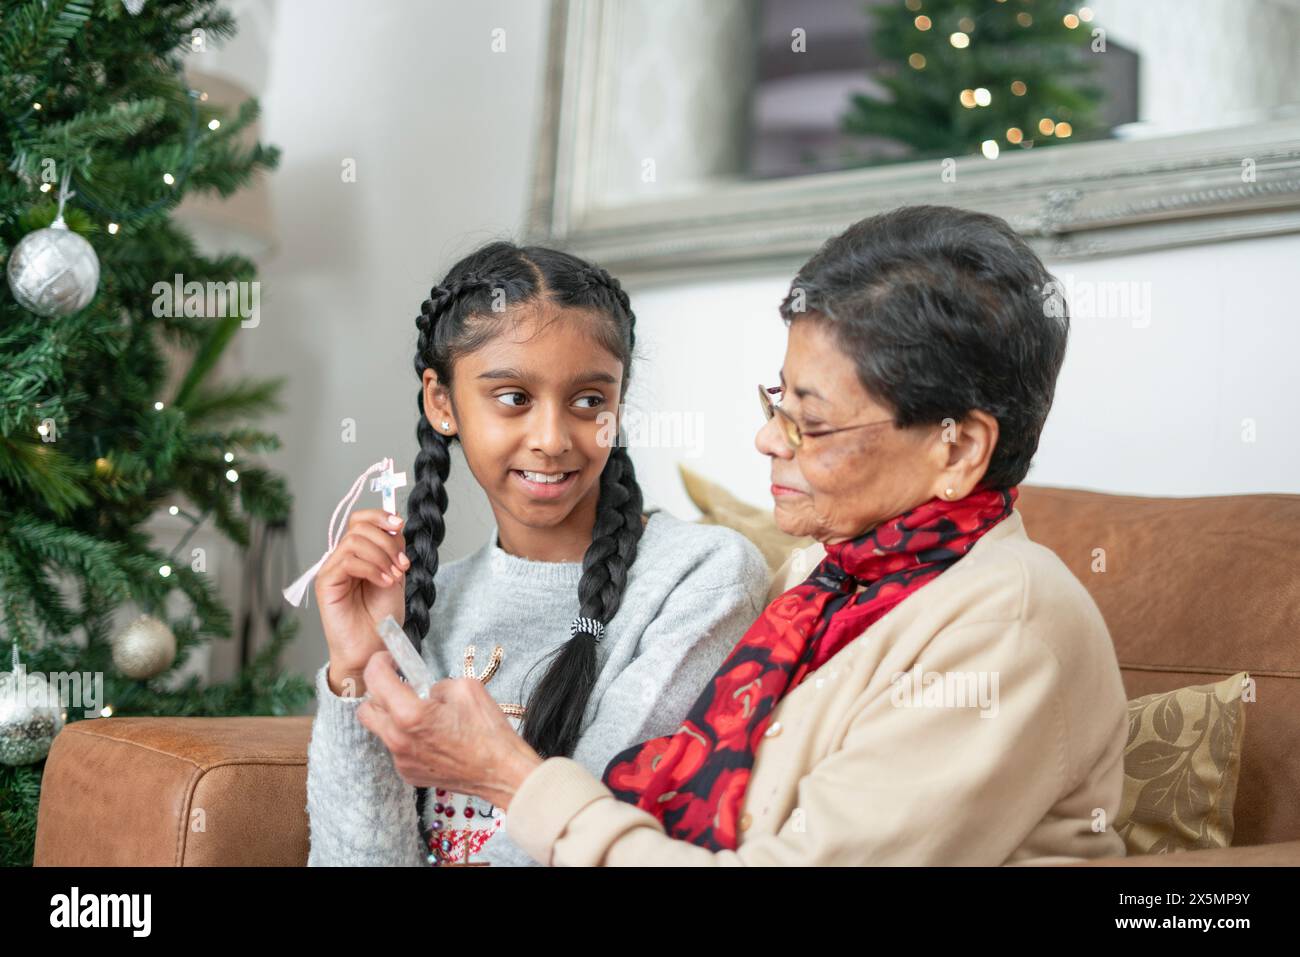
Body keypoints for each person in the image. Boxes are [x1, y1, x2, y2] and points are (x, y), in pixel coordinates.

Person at [355, 205, 1130, 866]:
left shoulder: (1007, 629)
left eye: (811, 422)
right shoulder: (821, 584)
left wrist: (514, 781)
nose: (768, 441)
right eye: (777, 402)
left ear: (957, 448)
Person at [305, 242, 769, 866]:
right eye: (514, 398)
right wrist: (359, 671)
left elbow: (596, 833)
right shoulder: (426, 599)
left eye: (588, 401)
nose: (552, 440)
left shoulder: (700, 577)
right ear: (442, 403)